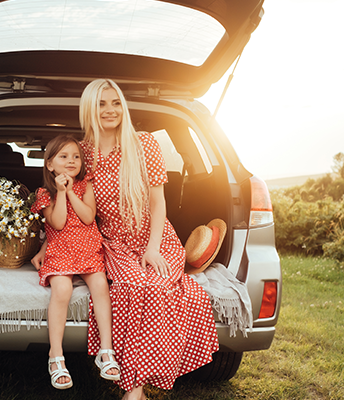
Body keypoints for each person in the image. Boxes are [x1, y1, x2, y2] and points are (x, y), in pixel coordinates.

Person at [48, 78, 219, 400]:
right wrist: (47, 245)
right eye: (101, 104)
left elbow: (158, 202)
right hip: (114, 241)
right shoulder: (82, 153)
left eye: (115, 103)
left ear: (123, 107)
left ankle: (133, 390)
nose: (109, 110)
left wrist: (154, 248)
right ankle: (136, 388)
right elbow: (67, 201)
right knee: (133, 287)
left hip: (157, 236)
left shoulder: (144, 143)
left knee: (157, 286)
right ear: (89, 109)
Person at [29, 135, 120, 389]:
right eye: (64, 156)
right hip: (60, 251)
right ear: (49, 164)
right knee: (62, 290)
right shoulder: (45, 193)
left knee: (101, 287)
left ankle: (106, 351)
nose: (71, 161)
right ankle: (56, 356)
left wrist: (70, 191)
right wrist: (60, 192)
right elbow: (57, 223)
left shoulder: (85, 185)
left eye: (76, 156)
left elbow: (89, 217)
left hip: (89, 249)